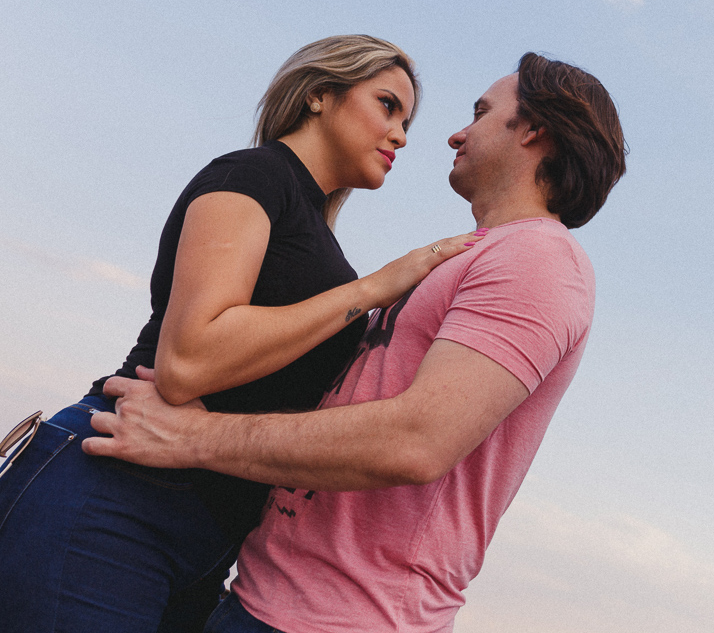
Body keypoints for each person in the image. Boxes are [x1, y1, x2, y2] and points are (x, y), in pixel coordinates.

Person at [86, 52, 627, 632]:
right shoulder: (464, 257)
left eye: (481, 112)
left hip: (350, 617)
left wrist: (192, 437)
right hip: (260, 597)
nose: (456, 133)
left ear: (534, 130)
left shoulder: (539, 258)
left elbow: (416, 441)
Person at [0, 35, 482, 632]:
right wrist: (372, 290)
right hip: (117, 489)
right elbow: (189, 359)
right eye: (387, 106)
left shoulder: (319, 240)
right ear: (318, 96)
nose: (401, 136)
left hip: (211, 537)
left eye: (405, 120)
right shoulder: (252, 175)